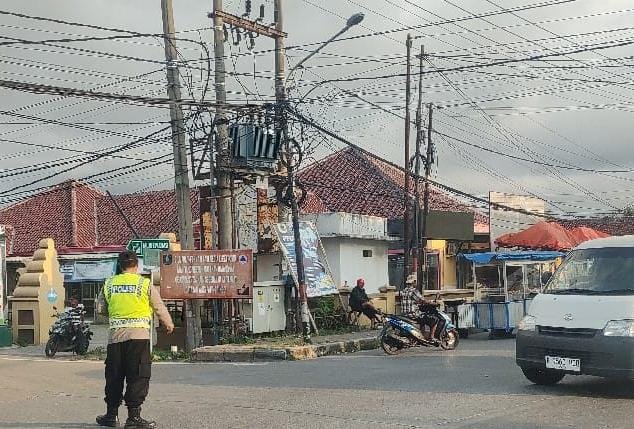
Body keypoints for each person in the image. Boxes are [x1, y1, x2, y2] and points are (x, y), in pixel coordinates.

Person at [95, 251, 174, 429]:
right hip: (139, 338)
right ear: (136, 266)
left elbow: (100, 309)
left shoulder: (109, 284)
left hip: (115, 338)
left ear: (120, 266)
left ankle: (111, 415)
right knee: (138, 375)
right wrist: (168, 323)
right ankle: (133, 417)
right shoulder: (144, 284)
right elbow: (158, 306)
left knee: (114, 376)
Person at [401, 274, 441, 340]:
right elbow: (423, 300)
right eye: (415, 281)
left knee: (423, 318)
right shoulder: (414, 291)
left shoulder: (404, 291)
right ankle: (432, 338)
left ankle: (422, 335)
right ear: (413, 282)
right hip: (414, 315)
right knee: (434, 320)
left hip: (405, 314)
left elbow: (415, 301)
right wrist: (433, 303)